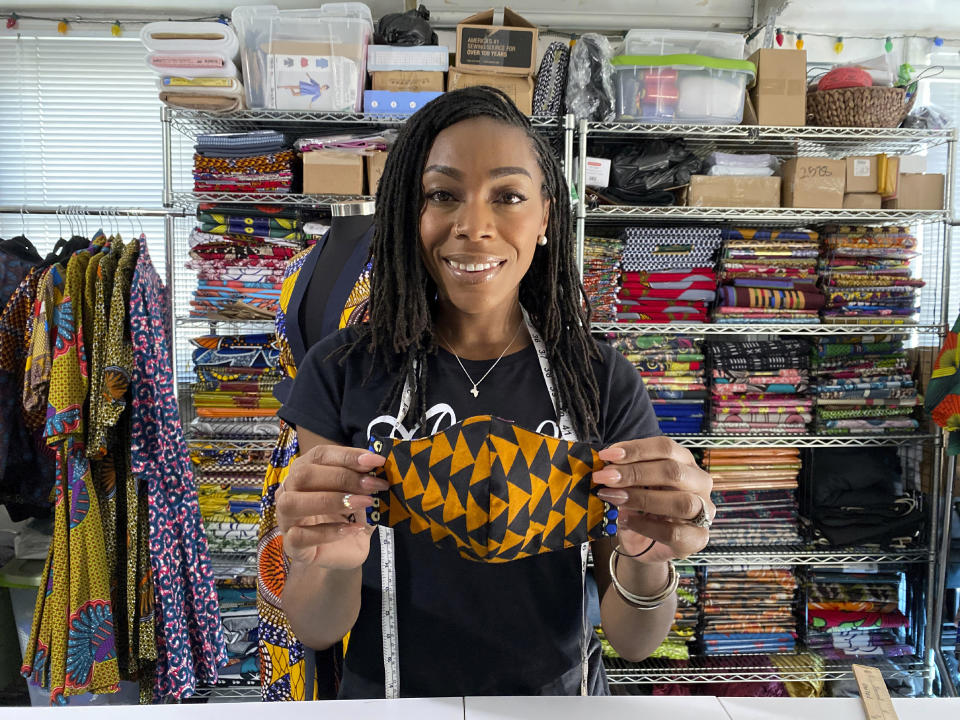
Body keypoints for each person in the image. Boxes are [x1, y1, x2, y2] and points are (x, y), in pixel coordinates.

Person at [274, 86, 715, 698]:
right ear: (411, 213)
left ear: (545, 219)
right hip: (390, 703)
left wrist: (648, 554)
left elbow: (636, 640)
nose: (473, 226)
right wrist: (331, 562)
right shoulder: (341, 371)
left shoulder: (601, 380)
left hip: (553, 706)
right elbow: (316, 627)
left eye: (507, 196)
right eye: (442, 195)